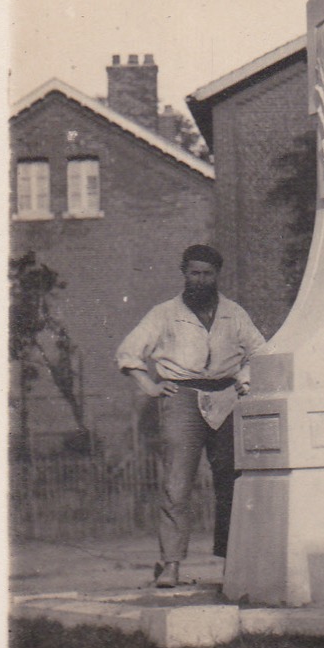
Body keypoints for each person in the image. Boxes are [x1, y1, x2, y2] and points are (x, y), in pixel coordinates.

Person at [116, 245, 265, 587]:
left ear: (217, 275)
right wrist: (150, 386)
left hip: (227, 397)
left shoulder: (234, 313)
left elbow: (260, 352)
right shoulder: (164, 314)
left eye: (207, 274)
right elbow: (128, 352)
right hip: (181, 397)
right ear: (184, 273)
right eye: (194, 273)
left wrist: (244, 380)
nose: (200, 280)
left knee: (230, 481)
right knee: (177, 484)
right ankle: (171, 565)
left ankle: (232, 564)